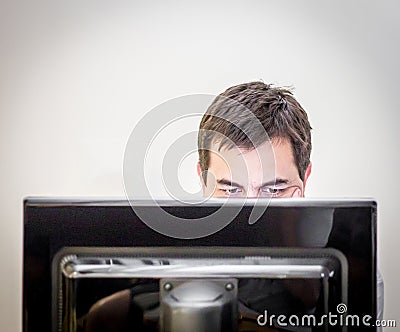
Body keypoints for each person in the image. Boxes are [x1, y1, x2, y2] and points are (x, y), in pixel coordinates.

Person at [196, 81, 384, 329]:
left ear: (304, 179)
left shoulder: (345, 271)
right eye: (230, 190)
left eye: (273, 190)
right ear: (202, 179)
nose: (252, 214)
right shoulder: (157, 266)